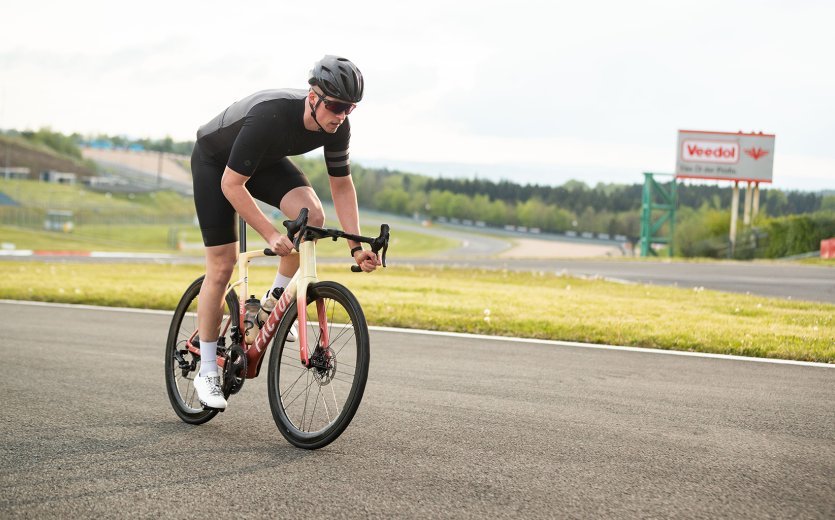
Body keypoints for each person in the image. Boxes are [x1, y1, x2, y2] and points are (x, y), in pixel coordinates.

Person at [190, 55, 380, 410]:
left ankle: (271, 304)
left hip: (263, 162)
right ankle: (206, 370)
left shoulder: (338, 128)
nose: (341, 115)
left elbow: (341, 186)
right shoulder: (271, 115)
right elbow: (232, 185)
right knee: (222, 265)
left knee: (312, 217)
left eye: (349, 109)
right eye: (336, 106)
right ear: (313, 96)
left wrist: (356, 246)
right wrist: (268, 233)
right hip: (216, 163)